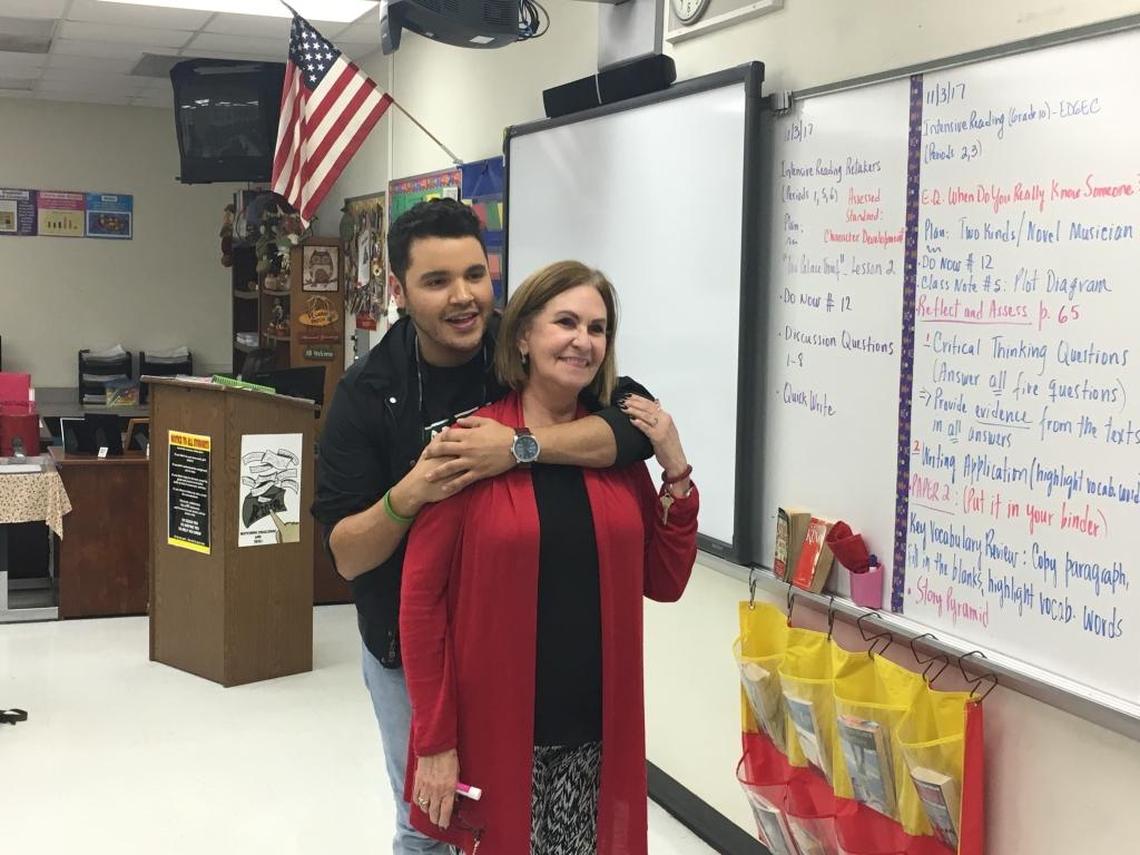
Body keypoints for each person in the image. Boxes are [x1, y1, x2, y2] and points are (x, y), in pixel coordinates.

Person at [312, 199, 655, 855]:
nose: (464, 297)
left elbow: (631, 421)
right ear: (399, 289)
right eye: (437, 281)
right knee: (433, 817)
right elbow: (347, 556)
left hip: (510, 633)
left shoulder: (519, 344)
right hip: (408, 639)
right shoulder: (368, 393)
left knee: (515, 816)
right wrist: (410, 493)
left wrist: (518, 448)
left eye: (475, 274)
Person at [400, 260, 699, 854]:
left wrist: (676, 470)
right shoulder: (470, 445)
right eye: (565, 322)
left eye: (597, 327)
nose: (582, 341)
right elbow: (420, 602)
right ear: (523, 338)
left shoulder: (614, 453)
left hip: (594, 730)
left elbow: (664, 581)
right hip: (498, 727)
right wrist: (435, 740)